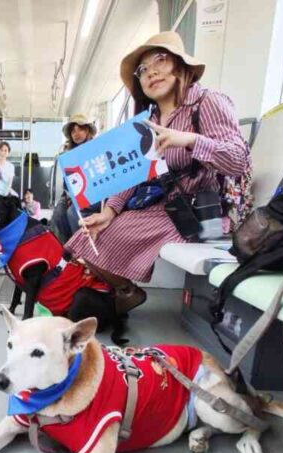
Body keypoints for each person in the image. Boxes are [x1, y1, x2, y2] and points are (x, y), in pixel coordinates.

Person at [65, 31, 249, 310]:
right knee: (86, 237)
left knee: (101, 235)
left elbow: (238, 160)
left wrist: (189, 140)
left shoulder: (207, 102)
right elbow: (132, 173)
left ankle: (119, 294)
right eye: (143, 69)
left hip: (203, 210)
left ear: (179, 64)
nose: (152, 72)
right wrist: (109, 211)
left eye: (160, 60)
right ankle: (126, 291)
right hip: (168, 206)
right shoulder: (148, 121)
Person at [50, 114, 97, 242]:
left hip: (95, 194)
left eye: (80, 129)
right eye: (73, 131)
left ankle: (81, 248)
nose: (77, 133)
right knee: (57, 215)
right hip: (72, 195)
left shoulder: (97, 149)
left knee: (72, 213)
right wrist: (71, 196)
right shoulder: (68, 155)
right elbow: (67, 182)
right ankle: (68, 250)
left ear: (87, 130)